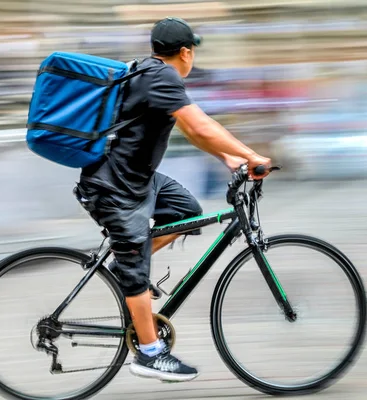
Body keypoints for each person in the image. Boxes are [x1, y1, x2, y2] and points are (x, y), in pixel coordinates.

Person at [74, 17, 271, 383]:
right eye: (192, 51)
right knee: (136, 268)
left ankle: (124, 265)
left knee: (187, 211)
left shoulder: (150, 73)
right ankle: (149, 354)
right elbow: (200, 125)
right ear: (185, 52)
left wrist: (228, 158)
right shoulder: (162, 76)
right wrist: (252, 155)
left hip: (137, 180)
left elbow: (188, 128)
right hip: (115, 189)